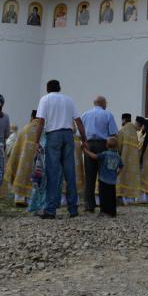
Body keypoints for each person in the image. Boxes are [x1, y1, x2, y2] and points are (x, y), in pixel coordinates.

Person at [34, 79, 86, 219]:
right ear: (59, 88)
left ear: (47, 89)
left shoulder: (45, 99)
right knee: (70, 173)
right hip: (68, 135)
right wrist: (84, 139)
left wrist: (36, 141)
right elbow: (78, 121)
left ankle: (50, 210)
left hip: (53, 135)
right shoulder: (69, 100)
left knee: (52, 173)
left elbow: (41, 122)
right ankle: (73, 209)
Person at [81, 96, 118, 213]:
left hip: (89, 145)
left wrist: (84, 145)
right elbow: (113, 133)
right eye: (106, 103)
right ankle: (104, 205)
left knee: (89, 177)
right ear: (102, 103)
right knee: (104, 176)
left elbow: (80, 133)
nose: (106, 104)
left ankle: (89, 205)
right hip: (104, 145)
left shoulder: (85, 115)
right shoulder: (108, 115)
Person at [4, 110, 41, 206]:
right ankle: (31, 201)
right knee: (35, 178)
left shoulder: (25, 129)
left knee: (22, 176)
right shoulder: (42, 129)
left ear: (31, 117)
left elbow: (17, 147)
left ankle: (19, 199)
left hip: (24, 160)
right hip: (37, 159)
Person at [82, 136, 123, 217]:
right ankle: (112, 212)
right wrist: (117, 173)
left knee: (103, 196)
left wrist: (85, 151)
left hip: (103, 180)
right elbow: (121, 166)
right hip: (112, 180)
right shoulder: (118, 156)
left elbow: (94, 156)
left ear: (106, 145)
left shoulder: (105, 154)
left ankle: (104, 211)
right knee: (111, 196)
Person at [116, 113, 141, 204]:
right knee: (131, 178)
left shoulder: (122, 130)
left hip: (124, 159)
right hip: (134, 162)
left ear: (123, 120)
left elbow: (118, 147)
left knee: (123, 178)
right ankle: (131, 199)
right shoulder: (135, 132)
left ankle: (123, 199)